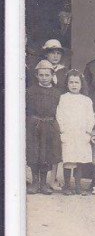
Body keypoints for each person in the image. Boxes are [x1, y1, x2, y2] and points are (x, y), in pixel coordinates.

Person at [56, 70, 95, 196]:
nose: (74, 85)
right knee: (68, 159)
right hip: (68, 132)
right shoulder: (63, 98)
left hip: (81, 133)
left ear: (81, 84)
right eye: (71, 82)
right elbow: (59, 115)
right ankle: (67, 186)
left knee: (79, 159)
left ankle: (78, 186)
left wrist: (88, 131)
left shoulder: (86, 100)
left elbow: (90, 117)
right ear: (67, 84)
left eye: (76, 82)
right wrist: (62, 130)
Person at [26, 60, 63, 195]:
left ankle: (43, 183)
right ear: (36, 76)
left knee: (47, 154)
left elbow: (60, 111)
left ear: (52, 75)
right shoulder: (30, 91)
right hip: (34, 125)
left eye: (47, 75)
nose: (44, 78)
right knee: (34, 153)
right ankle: (35, 182)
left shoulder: (57, 93)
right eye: (41, 75)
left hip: (50, 126)